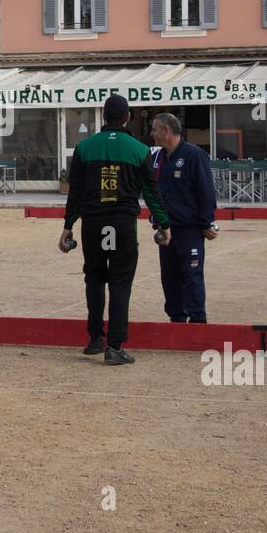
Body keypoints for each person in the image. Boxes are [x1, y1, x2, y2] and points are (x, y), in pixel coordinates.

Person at [61, 95, 170, 364]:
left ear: (103, 117)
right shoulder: (140, 149)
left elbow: (75, 192)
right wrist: (163, 223)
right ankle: (116, 346)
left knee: (95, 279)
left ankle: (95, 339)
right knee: (120, 284)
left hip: (92, 224)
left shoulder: (84, 147)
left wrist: (67, 226)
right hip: (122, 224)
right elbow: (151, 192)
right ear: (127, 118)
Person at [150, 113, 219, 323]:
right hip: (165, 229)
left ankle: (198, 320)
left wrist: (206, 223)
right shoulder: (157, 158)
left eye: (154, 129)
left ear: (166, 131)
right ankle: (177, 318)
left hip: (189, 229)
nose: (151, 133)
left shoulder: (194, 155)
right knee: (169, 278)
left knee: (192, 275)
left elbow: (206, 191)